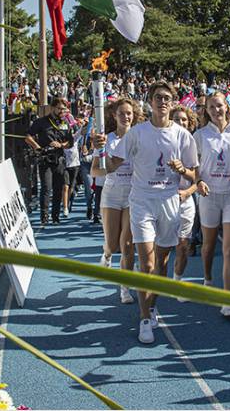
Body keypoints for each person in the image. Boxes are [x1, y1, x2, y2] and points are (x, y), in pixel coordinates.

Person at [93, 82, 198, 344]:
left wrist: (181, 170)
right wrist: (99, 149)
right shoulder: (137, 133)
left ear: (172, 103)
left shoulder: (183, 135)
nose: (162, 102)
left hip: (169, 201)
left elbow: (194, 174)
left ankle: (151, 308)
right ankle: (143, 318)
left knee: (161, 264)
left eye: (166, 98)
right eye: (157, 98)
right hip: (141, 201)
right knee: (147, 263)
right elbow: (109, 167)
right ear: (149, 102)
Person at [193, 91, 230, 318]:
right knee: (208, 245)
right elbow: (194, 165)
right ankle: (208, 279)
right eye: (211, 107)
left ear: (226, 107)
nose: (216, 110)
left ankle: (228, 300)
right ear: (206, 111)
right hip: (209, 195)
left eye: (219, 106)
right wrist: (198, 181)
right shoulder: (200, 135)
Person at [92, 98, 144, 305]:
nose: (126, 116)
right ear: (114, 116)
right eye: (121, 113)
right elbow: (95, 171)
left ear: (134, 115)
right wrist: (109, 165)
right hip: (112, 193)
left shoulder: (140, 138)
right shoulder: (106, 140)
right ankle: (106, 255)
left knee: (128, 245)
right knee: (113, 244)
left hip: (134, 195)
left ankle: (125, 288)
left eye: (129, 113)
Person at [24, 98, 74, 226]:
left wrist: (61, 144)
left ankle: (55, 216)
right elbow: (28, 136)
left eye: (64, 109)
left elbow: (70, 142)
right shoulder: (41, 122)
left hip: (60, 159)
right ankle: (44, 217)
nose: (62, 111)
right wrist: (38, 147)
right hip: (45, 159)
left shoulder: (65, 124)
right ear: (53, 108)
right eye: (59, 108)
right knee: (46, 188)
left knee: (58, 189)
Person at [169, 105, 199, 295]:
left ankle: (177, 283)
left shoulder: (193, 143)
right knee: (160, 247)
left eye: (184, 120)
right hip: (162, 200)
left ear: (190, 123)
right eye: (177, 119)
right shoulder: (162, 141)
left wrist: (187, 192)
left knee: (183, 246)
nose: (180, 123)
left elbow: (199, 177)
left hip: (186, 199)